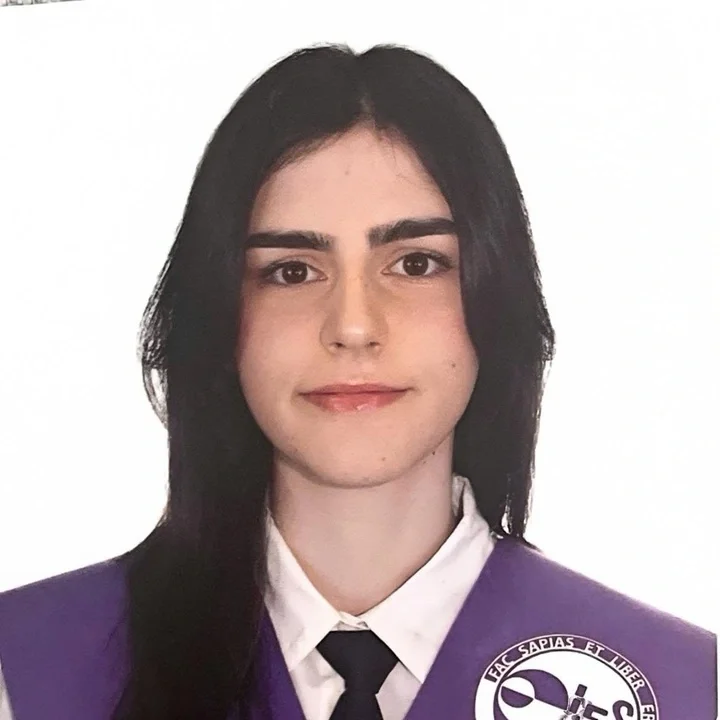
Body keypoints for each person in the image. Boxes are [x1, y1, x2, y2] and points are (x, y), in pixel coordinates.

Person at [0, 43, 715, 720]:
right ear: (218, 316)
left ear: (496, 295)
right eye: (291, 271)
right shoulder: (26, 670)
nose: (352, 326)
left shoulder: (687, 688)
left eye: (415, 264)